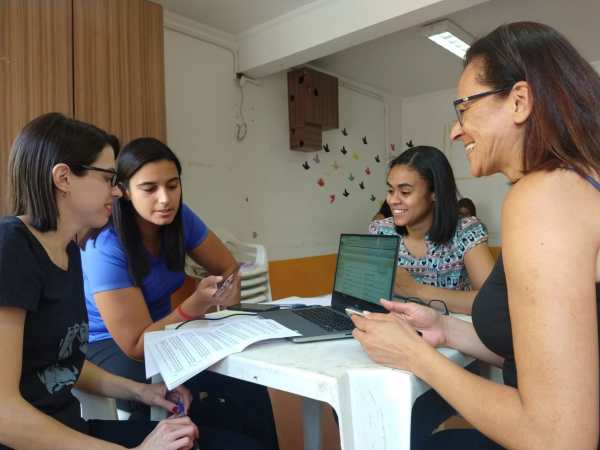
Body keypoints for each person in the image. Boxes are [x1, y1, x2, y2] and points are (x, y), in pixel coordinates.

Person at [353, 22, 600, 450]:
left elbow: (560, 439)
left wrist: (416, 356)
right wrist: (444, 329)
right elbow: (550, 358)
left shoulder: (541, 198)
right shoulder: (579, 183)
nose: (455, 130)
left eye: (464, 108)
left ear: (519, 101)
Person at [0, 112, 261, 450]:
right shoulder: (11, 247)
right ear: (64, 178)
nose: (116, 192)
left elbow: (63, 365)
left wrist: (142, 391)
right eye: (108, 178)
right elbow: (4, 415)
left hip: (72, 430)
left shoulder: (68, 250)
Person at [81, 137, 279, 449]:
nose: (165, 199)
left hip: (166, 333)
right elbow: (136, 346)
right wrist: (196, 304)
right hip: (108, 345)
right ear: (125, 191)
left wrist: (229, 311)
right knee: (196, 387)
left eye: (173, 186)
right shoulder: (106, 245)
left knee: (246, 384)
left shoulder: (180, 218)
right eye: (149, 188)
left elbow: (228, 267)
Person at [369, 146, 495, 315]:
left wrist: (415, 289)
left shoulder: (467, 232)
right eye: (391, 190)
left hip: (450, 330)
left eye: (405, 192)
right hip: (394, 327)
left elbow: (492, 302)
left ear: (435, 192)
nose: (392, 200)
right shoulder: (381, 231)